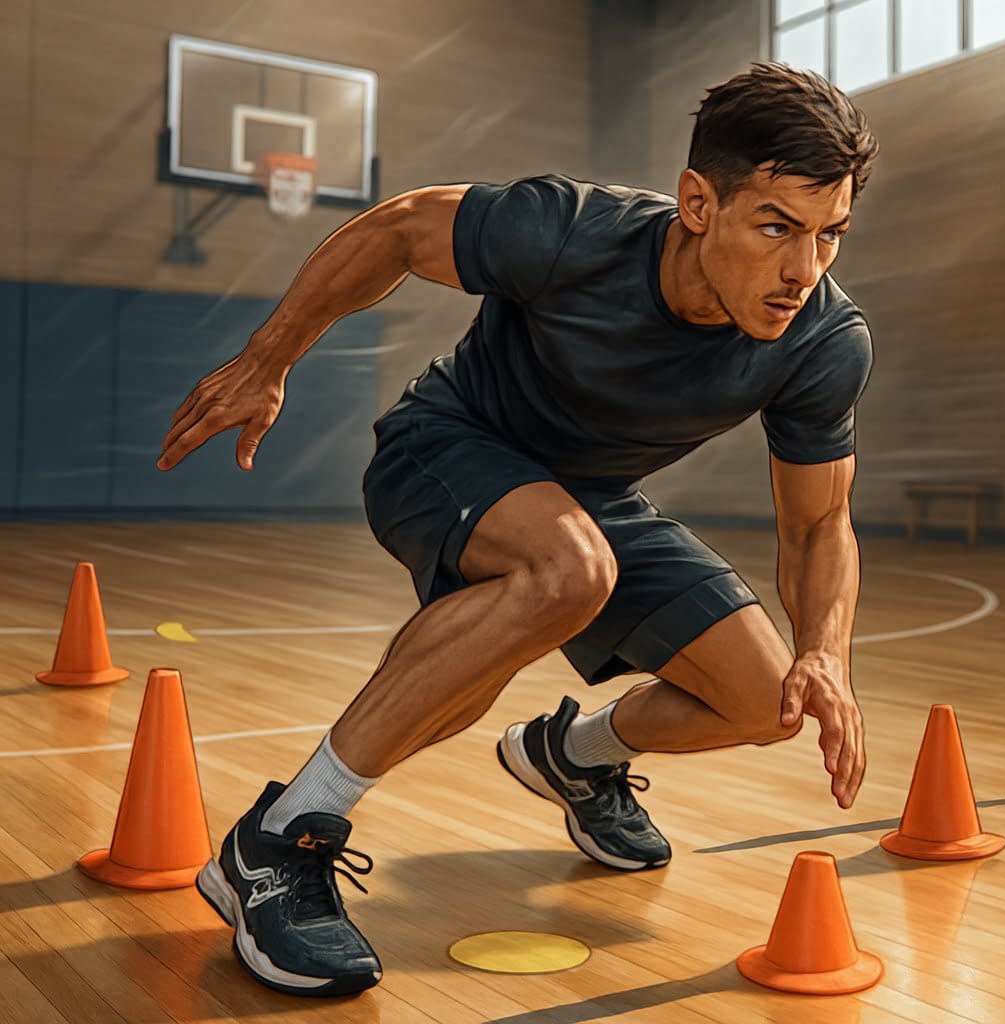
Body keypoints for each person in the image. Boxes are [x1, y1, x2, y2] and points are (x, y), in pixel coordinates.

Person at [158, 62, 879, 998]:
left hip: (595, 501)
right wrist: (266, 359)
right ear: (698, 203)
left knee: (765, 701)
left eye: (831, 235)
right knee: (569, 571)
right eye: (777, 227)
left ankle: (574, 756)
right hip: (448, 446)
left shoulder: (823, 340)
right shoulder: (574, 231)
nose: (802, 270)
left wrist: (825, 652)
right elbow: (402, 227)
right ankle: (279, 840)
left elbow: (820, 524)